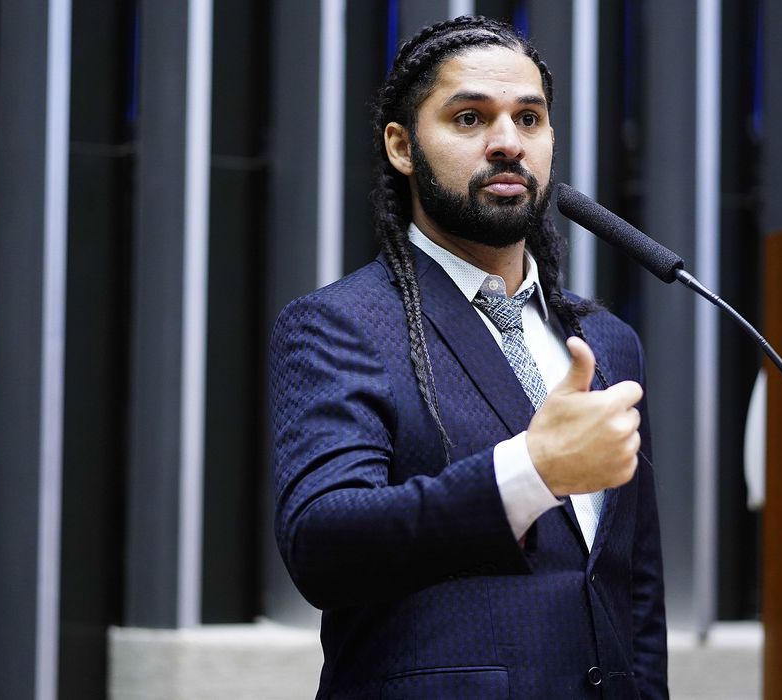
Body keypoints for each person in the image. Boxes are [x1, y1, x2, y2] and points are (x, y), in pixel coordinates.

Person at [270, 15, 668, 699]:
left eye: (530, 118)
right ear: (402, 146)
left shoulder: (605, 342)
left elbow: (636, 589)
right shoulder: (340, 324)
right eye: (469, 118)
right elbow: (323, 545)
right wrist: (530, 472)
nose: (508, 142)